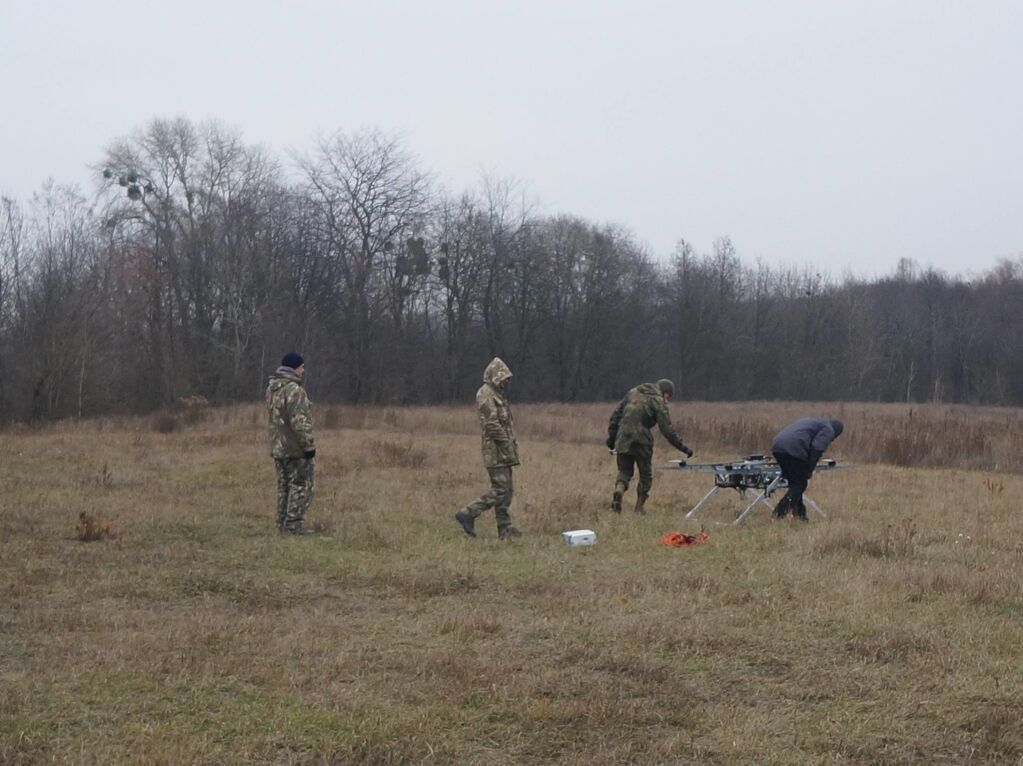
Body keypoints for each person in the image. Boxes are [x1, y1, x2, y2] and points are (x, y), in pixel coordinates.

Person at [454, 357, 523, 540]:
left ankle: (505, 529)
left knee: (507, 490)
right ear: (494, 375)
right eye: (503, 378)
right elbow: (491, 424)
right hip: (495, 450)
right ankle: (468, 513)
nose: (506, 382)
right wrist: (506, 444)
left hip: (504, 451)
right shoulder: (485, 394)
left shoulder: (497, 394)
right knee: (500, 489)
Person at [606, 379, 693, 514]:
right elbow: (667, 429)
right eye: (668, 396)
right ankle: (639, 508)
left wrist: (612, 440)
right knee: (645, 474)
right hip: (642, 440)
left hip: (623, 437)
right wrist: (683, 447)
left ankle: (619, 491)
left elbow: (615, 417)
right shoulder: (657, 401)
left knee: (624, 471)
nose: (667, 400)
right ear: (665, 393)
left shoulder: (633, 392)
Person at [266, 352, 317, 534]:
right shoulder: (295, 391)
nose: (303, 371)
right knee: (301, 485)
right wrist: (309, 446)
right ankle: (293, 525)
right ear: (295, 368)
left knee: (284, 486)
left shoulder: (272, 389)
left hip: (278, 448)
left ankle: (282, 523)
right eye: (301, 367)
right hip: (295, 448)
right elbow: (299, 422)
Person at [770, 418, 844, 521]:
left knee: (794, 483)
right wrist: (809, 469)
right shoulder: (829, 429)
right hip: (793, 449)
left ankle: (800, 516)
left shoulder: (816, 422)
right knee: (800, 484)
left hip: (778, 446)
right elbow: (816, 449)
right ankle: (778, 514)